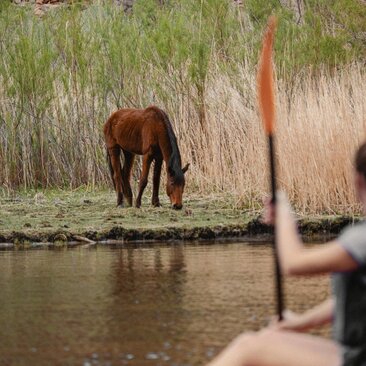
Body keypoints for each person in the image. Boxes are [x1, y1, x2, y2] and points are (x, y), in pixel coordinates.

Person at [207, 142, 366, 366]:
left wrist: (284, 216)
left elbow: (293, 264)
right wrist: (298, 324)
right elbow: (346, 302)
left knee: (248, 347)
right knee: (268, 338)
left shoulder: (361, 239)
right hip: (353, 354)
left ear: (358, 181)